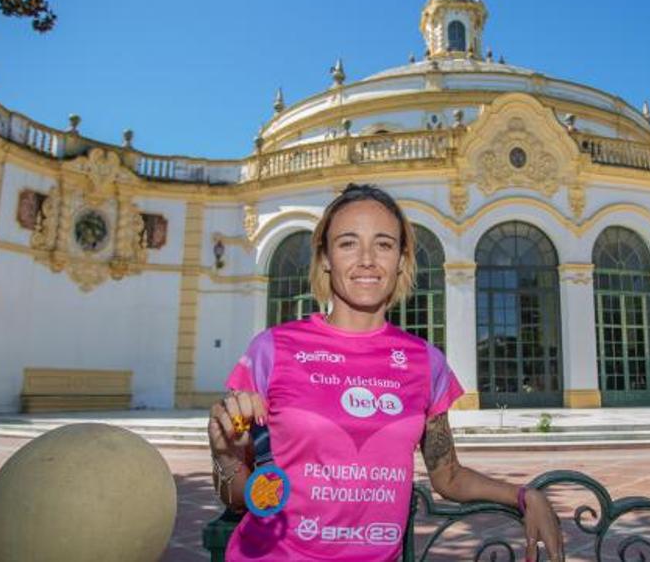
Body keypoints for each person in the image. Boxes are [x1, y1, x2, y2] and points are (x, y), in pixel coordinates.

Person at [208, 183, 565, 561]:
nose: (367, 259)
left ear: (401, 259)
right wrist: (228, 458)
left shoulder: (426, 362)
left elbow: (448, 476)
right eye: (348, 243)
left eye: (383, 244)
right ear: (325, 257)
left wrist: (524, 496)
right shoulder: (272, 350)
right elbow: (239, 496)